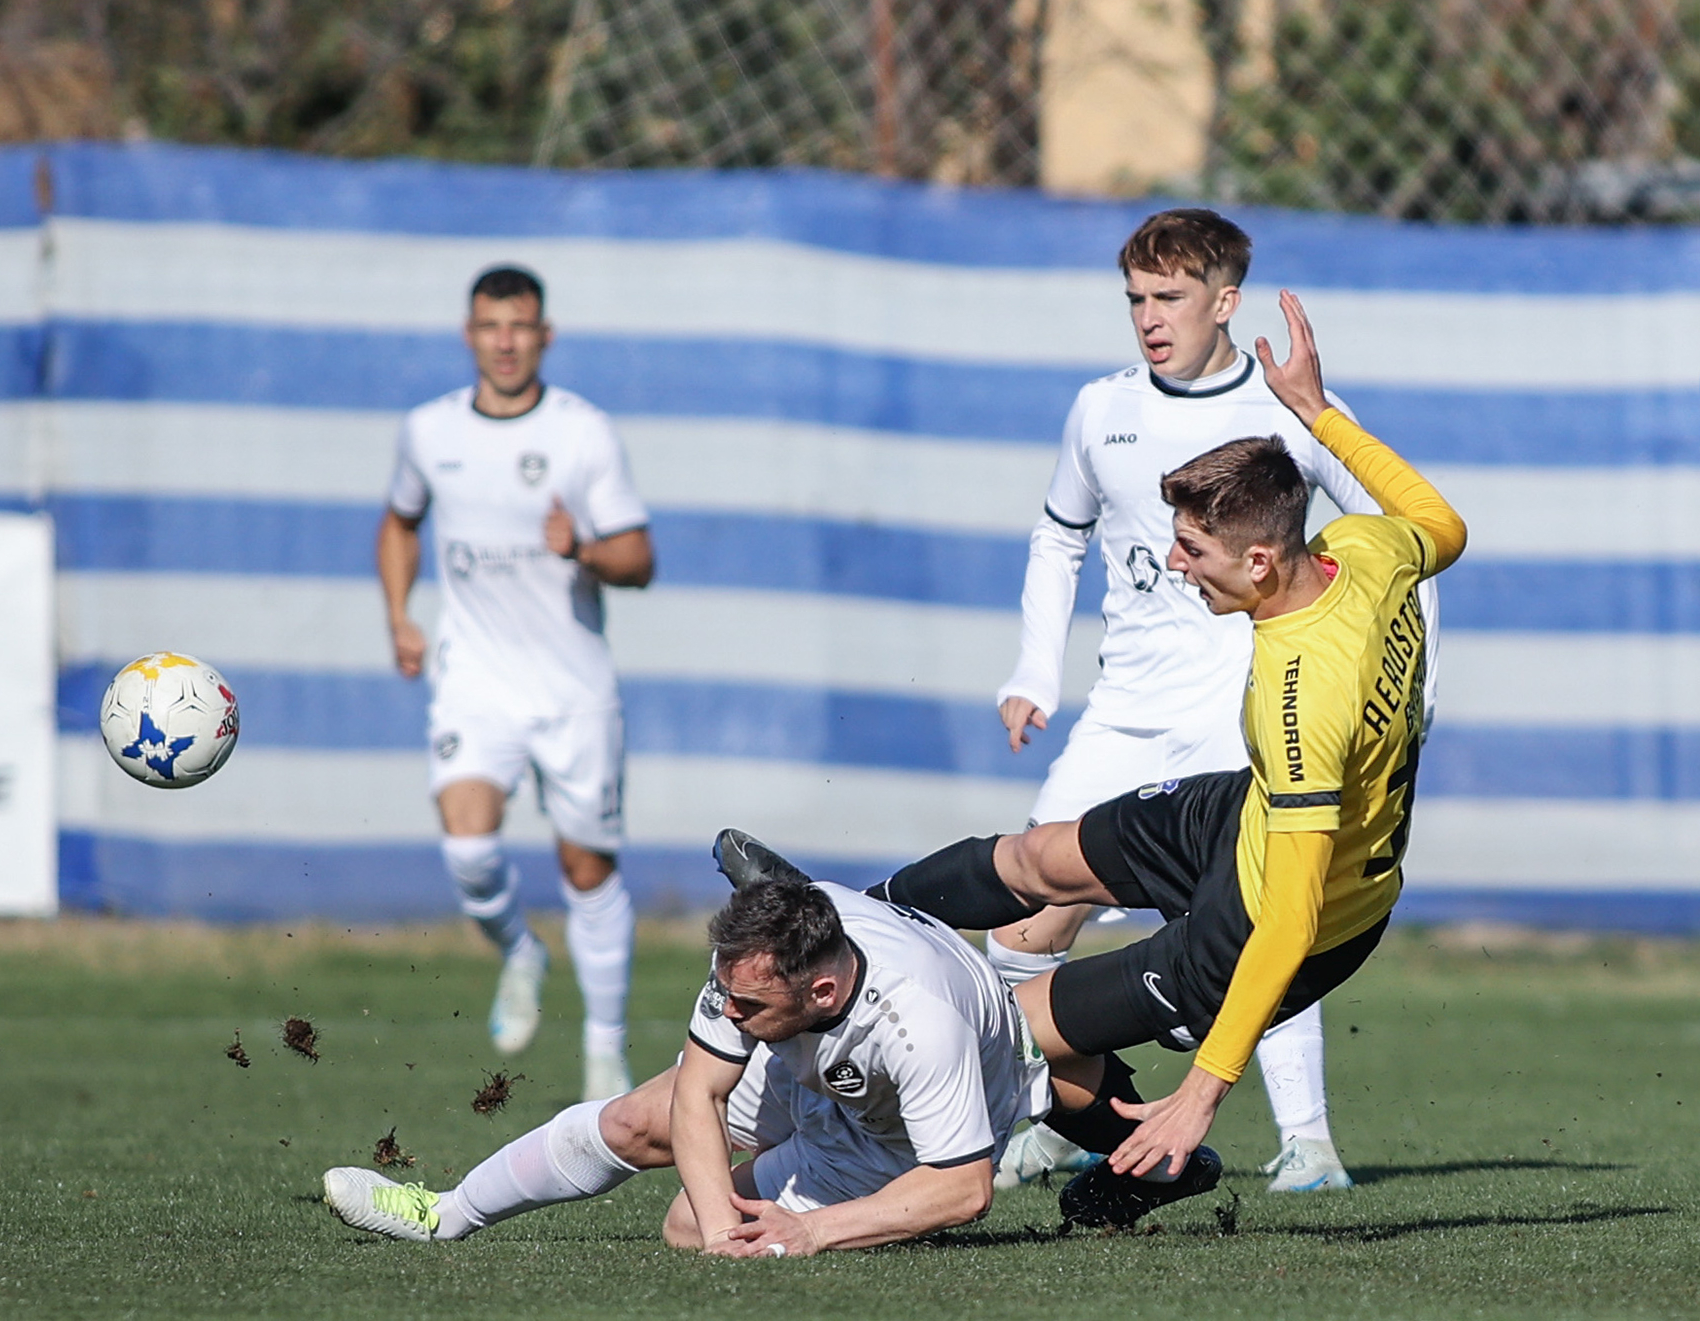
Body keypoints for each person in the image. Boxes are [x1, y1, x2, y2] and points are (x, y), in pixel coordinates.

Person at [733, 290, 1464, 1199]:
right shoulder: (1361, 547)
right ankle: (829, 913)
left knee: (1008, 1024)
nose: (1175, 564)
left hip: (1275, 922)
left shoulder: (1303, 693)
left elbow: (1290, 916)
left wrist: (1202, 1089)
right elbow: (1443, 524)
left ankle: (1166, 1164)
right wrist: (1316, 414)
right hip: (1241, 819)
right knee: (1035, 856)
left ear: (1262, 562)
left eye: (1193, 549)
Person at [986, 208, 1437, 1194]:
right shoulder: (1097, 409)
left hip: (1238, 707)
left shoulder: (1290, 411)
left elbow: (1396, 547)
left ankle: (1306, 1138)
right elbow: (1057, 536)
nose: (1149, 318)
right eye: (1135, 299)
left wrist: (1394, 695)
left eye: (1170, 296)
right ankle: (1064, 1114)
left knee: (1273, 901)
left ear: (1223, 301)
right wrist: (1032, 669)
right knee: (1022, 920)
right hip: (1124, 708)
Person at [321, 875, 1058, 1254]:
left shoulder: (921, 1023)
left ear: (822, 988)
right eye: (726, 993)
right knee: (639, 1122)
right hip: (810, 1061)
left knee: (684, 1224)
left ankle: (816, 1192)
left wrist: (817, 1230)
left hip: (901, 1137)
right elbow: (700, 1092)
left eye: (748, 1006)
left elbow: (964, 1186)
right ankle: (445, 1213)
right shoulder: (760, 961)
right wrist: (718, 1232)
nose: (728, 1013)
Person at [379, 265, 654, 1101]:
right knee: (467, 843)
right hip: (476, 678)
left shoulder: (583, 434)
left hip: (572, 688)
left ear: (544, 335)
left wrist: (585, 548)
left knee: (586, 871)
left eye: (520, 326)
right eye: (491, 326)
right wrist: (399, 615)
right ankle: (519, 950)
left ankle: (604, 1051)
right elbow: (399, 521)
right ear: (469, 334)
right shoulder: (428, 431)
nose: (505, 341)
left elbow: (638, 558)